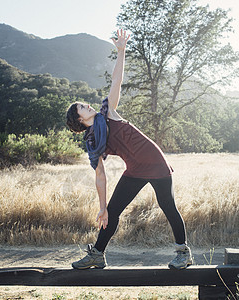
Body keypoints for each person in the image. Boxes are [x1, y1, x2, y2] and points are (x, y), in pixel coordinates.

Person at [66, 29, 192, 270]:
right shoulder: (92, 142)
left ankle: (183, 253)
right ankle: (97, 254)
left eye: (85, 103)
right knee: (112, 212)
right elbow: (100, 176)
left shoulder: (108, 112)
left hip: (155, 161)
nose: (88, 104)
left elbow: (117, 80)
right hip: (135, 169)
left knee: (167, 205)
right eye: (83, 107)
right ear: (79, 120)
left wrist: (121, 51)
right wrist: (102, 208)